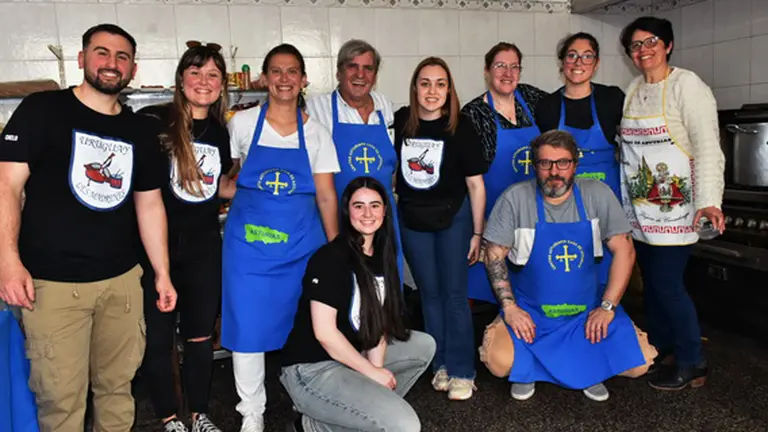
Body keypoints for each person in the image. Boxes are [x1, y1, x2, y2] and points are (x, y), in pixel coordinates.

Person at [0, 23, 177, 431]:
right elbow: (6, 186)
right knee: (61, 400)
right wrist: (8, 261)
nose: (111, 64)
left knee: (117, 392)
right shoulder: (42, 109)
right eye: (102, 53)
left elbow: (149, 204)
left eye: (122, 57)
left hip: (121, 284)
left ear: (132, 69)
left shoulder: (140, 131)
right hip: (52, 286)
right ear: (82, 59)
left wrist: (162, 274)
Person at [479, 130, 657, 402]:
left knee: (640, 363)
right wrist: (510, 308)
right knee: (499, 361)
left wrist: (607, 307)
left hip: (586, 314)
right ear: (534, 165)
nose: (554, 171)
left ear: (575, 164)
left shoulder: (597, 194)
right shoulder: (515, 198)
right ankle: (569, 367)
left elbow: (625, 250)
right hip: (532, 314)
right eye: (545, 163)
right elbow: (493, 255)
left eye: (562, 162)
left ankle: (546, 368)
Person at [222, 43, 340, 432]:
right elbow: (229, 177)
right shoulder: (241, 124)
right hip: (248, 248)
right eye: (276, 71)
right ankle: (251, 412)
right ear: (264, 78)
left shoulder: (317, 133)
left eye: (292, 72)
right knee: (247, 325)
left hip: (300, 246)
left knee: (302, 324)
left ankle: (304, 400)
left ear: (303, 79)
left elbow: (325, 194)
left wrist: (337, 249)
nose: (284, 79)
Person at [280, 176, 435, 432]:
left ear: (385, 211)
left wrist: (375, 369)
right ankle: (310, 425)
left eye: (375, 205)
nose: (367, 213)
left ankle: (357, 414)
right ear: (347, 210)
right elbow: (325, 334)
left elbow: (380, 324)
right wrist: (371, 373)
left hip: (350, 355)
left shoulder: (382, 256)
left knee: (423, 346)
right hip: (311, 369)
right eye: (358, 205)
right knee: (405, 426)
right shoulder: (330, 257)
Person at [618, 16, 725, 391]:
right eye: (636, 45)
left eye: (651, 42)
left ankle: (693, 360)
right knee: (652, 286)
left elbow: (708, 147)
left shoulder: (687, 85)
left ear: (668, 45)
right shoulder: (633, 89)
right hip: (640, 213)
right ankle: (664, 351)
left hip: (678, 210)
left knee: (667, 286)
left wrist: (709, 202)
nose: (643, 50)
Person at [137, 42, 235, 432]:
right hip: (157, 247)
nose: (203, 82)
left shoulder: (220, 131)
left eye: (212, 74)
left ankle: (199, 412)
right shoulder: (152, 121)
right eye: (195, 72)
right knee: (159, 340)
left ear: (222, 84)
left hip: (203, 246)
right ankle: (169, 417)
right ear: (181, 79)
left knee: (198, 338)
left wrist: (267, 187)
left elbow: (219, 185)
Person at [394, 57, 487, 401]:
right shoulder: (402, 121)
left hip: (454, 219)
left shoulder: (460, 126)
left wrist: (477, 233)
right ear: (415, 88)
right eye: (425, 83)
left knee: (454, 296)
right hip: (414, 220)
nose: (432, 91)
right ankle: (441, 364)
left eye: (440, 83)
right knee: (429, 295)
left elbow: (476, 184)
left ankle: (464, 370)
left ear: (449, 90)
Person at [305, 39, 403, 287]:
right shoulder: (317, 109)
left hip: (382, 219)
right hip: (338, 215)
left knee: (386, 285)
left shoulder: (385, 108)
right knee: (345, 288)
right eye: (352, 67)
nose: (360, 75)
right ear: (339, 71)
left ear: (375, 75)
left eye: (368, 68)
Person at [535, 32, 625, 295]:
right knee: (570, 263)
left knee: (609, 265)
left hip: (608, 199)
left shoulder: (613, 99)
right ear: (562, 62)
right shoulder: (547, 106)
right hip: (564, 200)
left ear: (596, 63)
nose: (578, 62)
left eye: (587, 56)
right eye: (572, 55)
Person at [462, 42, 548, 303]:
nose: (507, 73)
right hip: (491, 220)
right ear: (486, 70)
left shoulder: (535, 101)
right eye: (500, 65)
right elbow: (468, 179)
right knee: (492, 295)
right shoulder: (472, 115)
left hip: (535, 219)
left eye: (514, 67)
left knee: (533, 292)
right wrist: (482, 230)